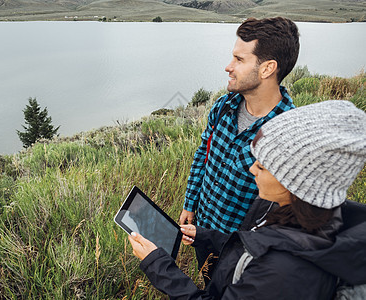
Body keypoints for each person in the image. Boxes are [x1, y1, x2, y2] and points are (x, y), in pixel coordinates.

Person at [128, 100, 366, 299]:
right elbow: (255, 242)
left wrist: (157, 265)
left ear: (296, 183)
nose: (252, 169)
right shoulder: (285, 209)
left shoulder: (283, 274)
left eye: (262, 166)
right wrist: (205, 236)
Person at [180, 18, 299, 254]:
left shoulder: (287, 134)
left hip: (240, 251)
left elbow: (283, 215)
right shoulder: (224, 106)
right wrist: (190, 203)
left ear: (267, 68)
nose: (228, 66)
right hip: (202, 230)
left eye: (239, 59)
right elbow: (203, 154)